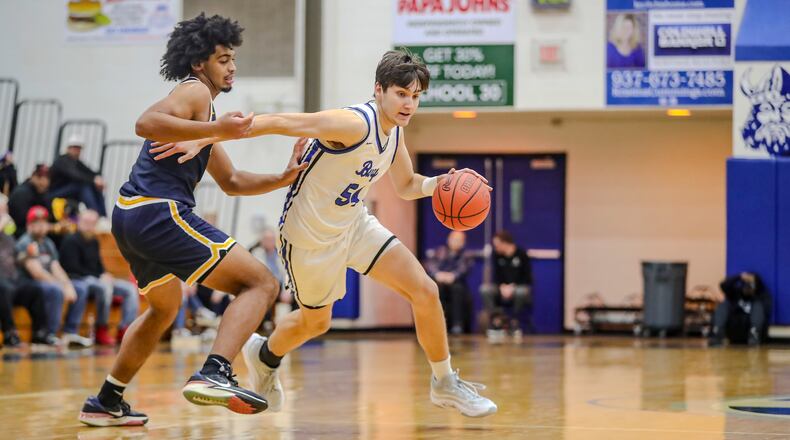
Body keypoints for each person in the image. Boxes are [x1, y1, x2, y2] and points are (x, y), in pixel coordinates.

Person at [150, 49, 498, 417]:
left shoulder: (393, 134)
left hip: (354, 224)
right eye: (401, 94)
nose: (409, 104)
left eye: (415, 97)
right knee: (316, 322)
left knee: (425, 290)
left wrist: (439, 184)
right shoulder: (353, 122)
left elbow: (408, 183)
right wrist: (204, 138)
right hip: (308, 238)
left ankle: (444, 384)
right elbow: (283, 121)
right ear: (379, 89)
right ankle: (263, 354)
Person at [78, 13, 308, 427]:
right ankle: (215, 371)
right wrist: (217, 126)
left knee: (162, 311)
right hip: (158, 212)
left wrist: (283, 177)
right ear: (200, 64)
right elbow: (144, 123)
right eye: (223, 59)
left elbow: (233, 181)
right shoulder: (194, 92)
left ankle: (106, 400)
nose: (232, 66)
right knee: (261, 283)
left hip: (130, 217)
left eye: (233, 58)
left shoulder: (203, 119)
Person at [59, 210, 140, 345]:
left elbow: (98, 265)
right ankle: (101, 329)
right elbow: (72, 268)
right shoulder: (70, 240)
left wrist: (104, 274)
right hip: (78, 279)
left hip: (95, 279)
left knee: (129, 289)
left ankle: (124, 329)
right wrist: (99, 277)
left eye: (92, 223)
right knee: (104, 287)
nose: (88, 226)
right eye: (85, 222)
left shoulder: (94, 241)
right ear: (79, 222)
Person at [15, 206, 92, 347]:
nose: (40, 226)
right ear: (28, 225)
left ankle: (70, 331)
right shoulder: (25, 243)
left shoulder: (48, 243)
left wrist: (67, 284)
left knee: (80, 288)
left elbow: (56, 267)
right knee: (55, 290)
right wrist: (61, 287)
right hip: (28, 284)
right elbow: (37, 273)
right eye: (36, 223)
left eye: (43, 222)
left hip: (47, 281)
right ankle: (50, 333)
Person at [0, 195, 48, 347]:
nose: (6, 214)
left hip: (13, 280)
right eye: (2, 210)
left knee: (35, 290)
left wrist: (27, 255)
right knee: (4, 287)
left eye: (6, 210)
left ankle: (40, 333)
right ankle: (10, 333)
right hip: (2, 283)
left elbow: (16, 258)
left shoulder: (9, 236)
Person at [481, 230, 533, 335]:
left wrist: (513, 287)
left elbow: (527, 278)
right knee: (485, 289)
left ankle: (514, 321)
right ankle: (496, 320)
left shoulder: (522, 254)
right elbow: (496, 276)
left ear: (505, 243)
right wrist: (502, 286)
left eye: (497, 245)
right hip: (501, 288)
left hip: (517, 287)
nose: (496, 248)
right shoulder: (497, 256)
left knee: (521, 292)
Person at [424, 231, 474, 335]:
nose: (455, 242)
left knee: (457, 289)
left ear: (463, 242)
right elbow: (431, 265)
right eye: (454, 239)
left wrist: (453, 276)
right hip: (440, 282)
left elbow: (463, 270)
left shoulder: (466, 255)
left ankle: (457, 324)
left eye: (459, 240)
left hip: (457, 284)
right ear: (448, 240)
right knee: (436, 289)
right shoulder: (440, 251)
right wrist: (437, 274)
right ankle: (437, 323)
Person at [49, 134, 107, 216]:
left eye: (79, 148)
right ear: (68, 148)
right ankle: (95, 214)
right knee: (82, 186)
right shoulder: (61, 161)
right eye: (75, 148)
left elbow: (91, 172)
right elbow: (75, 175)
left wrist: (99, 179)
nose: (77, 151)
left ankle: (102, 217)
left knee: (95, 186)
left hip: (70, 191)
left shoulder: (76, 162)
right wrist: (94, 180)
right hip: (55, 193)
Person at [709, 272, 771, 346]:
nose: (748, 287)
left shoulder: (760, 297)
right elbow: (723, 285)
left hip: (751, 333)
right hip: (734, 330)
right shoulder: (735, 294)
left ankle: (754, 334)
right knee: (723, 304)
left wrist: (755, 280)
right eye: (746, 284)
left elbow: (766, 310)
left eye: (750, 285)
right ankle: (717, 333)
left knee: (758, 306)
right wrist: (739, 277)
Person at [8, 164, 50, 239]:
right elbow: (22, 220)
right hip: (17, 232)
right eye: (39, 177)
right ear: (33, 176)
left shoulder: (41, 193)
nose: (44, 181)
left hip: (32, 229)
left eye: (47, 178)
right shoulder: (22, 193)